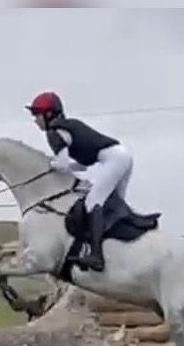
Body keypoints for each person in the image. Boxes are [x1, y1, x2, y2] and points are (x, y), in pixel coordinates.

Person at [25, 91, 133, 271]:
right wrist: (64, 166)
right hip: (121, 156)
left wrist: (48, 165)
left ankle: (96, 256)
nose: (35, 120)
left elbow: (62, 165)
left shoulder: (54, 132)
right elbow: (80, 166)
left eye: (37, 114)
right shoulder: (69, 126)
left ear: (49, 114)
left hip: (114, 159)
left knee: (93, 202)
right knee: (114, 205)